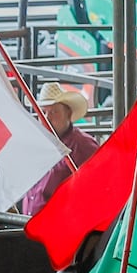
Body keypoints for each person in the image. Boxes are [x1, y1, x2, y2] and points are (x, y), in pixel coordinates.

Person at [21, 83, 100, 216]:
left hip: (60, 227)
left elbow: (97, 189)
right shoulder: (39, 143)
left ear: (68, 113)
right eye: (43, 112)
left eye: (54, 112)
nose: (47, 117)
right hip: (30, 224)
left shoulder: (83, 146)